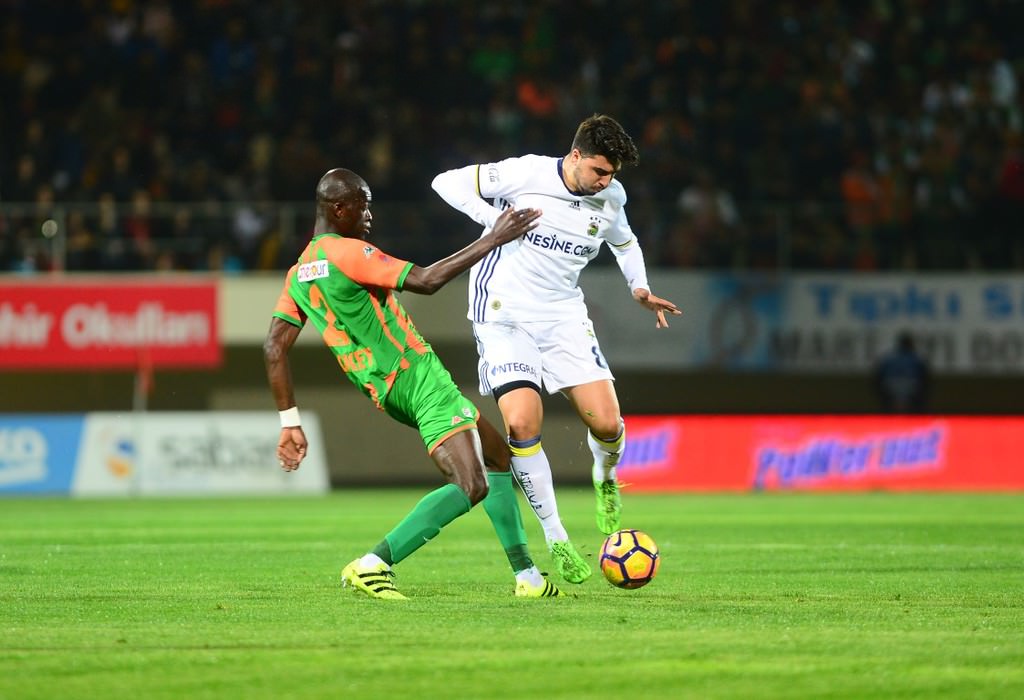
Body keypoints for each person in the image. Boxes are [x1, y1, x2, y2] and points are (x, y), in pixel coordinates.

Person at [264, 167, 562, 600]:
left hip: (385, 390)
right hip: (416, 375)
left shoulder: (299, 273)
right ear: (339, 208)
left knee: (498, 456)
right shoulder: (348, 252)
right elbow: (426, 280)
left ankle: (528, 577)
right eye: (363, 206)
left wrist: (289, 421)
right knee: (471, 484)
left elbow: (274, 347)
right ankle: (373, 563)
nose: (370, 215)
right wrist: (493, 238)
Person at [431, 114, 681, 584]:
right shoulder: (525, 173)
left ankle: (605, 478)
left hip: (563, 316)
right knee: (523, 423)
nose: (605, 181)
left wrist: (639, 287)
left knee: (607, 424)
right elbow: (445, 181)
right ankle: (557, 537)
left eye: (612, 174)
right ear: (575, 156)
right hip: (503, 313)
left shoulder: (611, 197)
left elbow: (625, 243)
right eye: (599, 171)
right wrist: (494, 222)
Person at [874, 331, 930, 413]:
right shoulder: (917, 360)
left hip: (892, 391)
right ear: (911, 345)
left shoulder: (888, 359)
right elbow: (926, 381)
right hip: (908, 392)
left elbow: (877, 380)